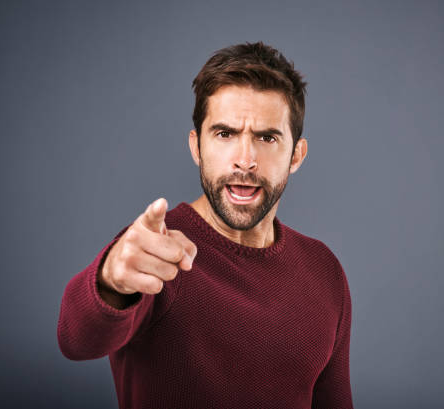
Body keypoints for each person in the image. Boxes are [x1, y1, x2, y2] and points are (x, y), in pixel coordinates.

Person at [57, 41, 354, 409]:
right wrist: (110, 282)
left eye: (267, 137)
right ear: (197, 147)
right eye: (225, 134)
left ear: (296, 155)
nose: (245, 161)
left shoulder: (324, 270)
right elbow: (77, 339)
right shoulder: (156, 250)